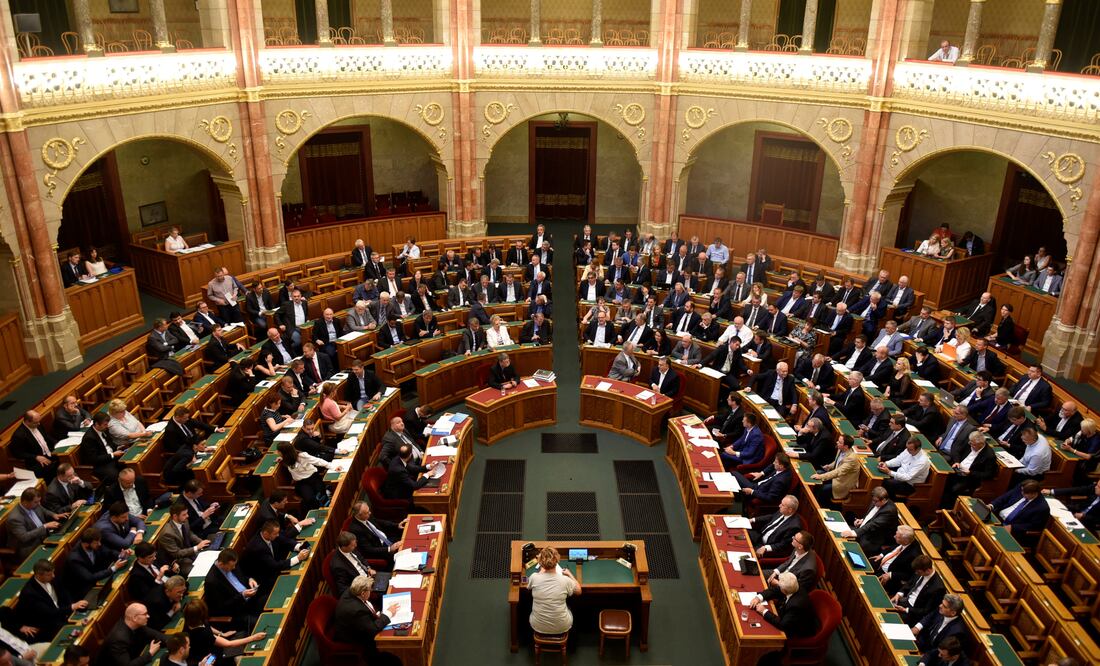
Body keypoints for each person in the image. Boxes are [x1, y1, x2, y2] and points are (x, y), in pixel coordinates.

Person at [333, 575, 402, 665]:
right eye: (369, 590)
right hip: (355, 637)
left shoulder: (351, 590)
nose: (371, 591)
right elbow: (373, 629)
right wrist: (388, 614)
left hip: (355, 623)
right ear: (363, 593)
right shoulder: (357, 611)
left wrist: (378, 615)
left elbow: (367, 607)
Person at [242, 520, 310, 596]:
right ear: (266, 533)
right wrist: (298, 558)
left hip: (274, 564)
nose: (278, 535)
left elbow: (284, 540)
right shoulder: (258, 548)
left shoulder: (270, 534)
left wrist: (299, 547)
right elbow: (275, 566)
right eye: (275, 534)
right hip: (264, 577)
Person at [528, 547, 581, 636]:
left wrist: (542, 570)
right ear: (557, 561)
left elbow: (529, 587)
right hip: (562, 626)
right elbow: (579, 591)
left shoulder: (534, 577)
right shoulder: (565, 580)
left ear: (540, 562)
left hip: (537, 625)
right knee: (570, 606)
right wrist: (569, 574)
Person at [65, 527, 129, 600]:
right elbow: (89, 578)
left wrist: (121, 555)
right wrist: (114, 568)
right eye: (96, 543)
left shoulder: (94, 544)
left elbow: (109, 552)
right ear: (86, 544)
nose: (99, 544)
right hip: (82, 588)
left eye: (99, 541)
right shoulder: (75, 559)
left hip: (97, 576)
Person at [748, 571, 818, 637]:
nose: (778, 586)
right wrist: (758, 598)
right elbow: (774, 591)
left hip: (798, 631)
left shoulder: (796, 605)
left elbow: (783, 625)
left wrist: (764, 611)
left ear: (784, 591)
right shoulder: (794, 586)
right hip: (786, 615)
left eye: (780, 587)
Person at [98, 603, 166, 666]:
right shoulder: (119, 639)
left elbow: (157, 635)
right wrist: (150, 653)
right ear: (134, 618)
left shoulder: (136, 624)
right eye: (145, 614)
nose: (148, 616)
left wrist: (173, 643)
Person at [156, 503, 211, 576]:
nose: (187, 516)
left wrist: (201, 541)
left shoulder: (184, 521)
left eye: (187, 513)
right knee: (196, 571)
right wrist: (197, 547)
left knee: (208, 560)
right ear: (175, 516)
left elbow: (190, 534)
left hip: (187, 552)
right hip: (175, 561)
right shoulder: (167, 533)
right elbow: (176, 553)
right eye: (184, 514)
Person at [7, 488, 62, 560]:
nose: (39, 504)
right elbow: (24, 537)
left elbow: (43, 510)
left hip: (43, 536)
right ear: (25, 502)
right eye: (36, 502)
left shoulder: (34, 505)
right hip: (29, 546)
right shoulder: (15, 518)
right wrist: (45, 526)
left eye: (39, 501)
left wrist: (54, 515)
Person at [348, 501, 404, 570]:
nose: (370, 513)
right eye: (367, 512)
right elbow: (369, 550)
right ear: (359, 515)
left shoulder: (366, 515)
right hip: (380, 550)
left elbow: (379, 522)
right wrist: (389, 549)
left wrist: (396, 525)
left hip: (387, 539)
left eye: (369, 511)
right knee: (402, 560)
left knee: (406, 540)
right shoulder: (355, 529)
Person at [843, 487, 898, 555]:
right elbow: (871, 515)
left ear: (883, 500)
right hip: (865, 529)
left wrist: (853, 533)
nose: (873, 502)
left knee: (853, 550)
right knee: (843, 532)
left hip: (874, 538)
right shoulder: (877, 501)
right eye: (873, 500)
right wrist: (863, 520)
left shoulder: (889, 511)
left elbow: (873, 525)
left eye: (875, 501)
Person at [892, 555, 945, 627]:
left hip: (913, 612)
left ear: (928, 570)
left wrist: (906, 610)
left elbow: (926, 610)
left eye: (918, 572)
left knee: (892, 622)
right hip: (904, 601)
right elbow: (909, 583)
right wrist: (898, 594)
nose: (916, 573)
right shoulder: (919, 571)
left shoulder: (938, 588)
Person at [277, 441, 330, 512]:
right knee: (310, 499)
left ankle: (327, 507)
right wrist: (282, 458)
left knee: (321, 493)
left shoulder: (302, 456)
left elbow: (317, 461)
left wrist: (331, 466)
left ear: (284, 451)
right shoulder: (286, 458)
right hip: (301, 483)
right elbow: (289, 460)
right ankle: (317, 512)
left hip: (313, 477)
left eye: (278, 451)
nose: (277, 452)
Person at [811, 435, 861, 505]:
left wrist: (821, 476)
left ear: (846, 446)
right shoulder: (840, 449)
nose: (837, 442)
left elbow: (838, 472)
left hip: (843, 483)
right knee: (818, 473)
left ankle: (819, 506)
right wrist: (829, 466)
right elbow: (838, 461)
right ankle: (812, 500)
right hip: (837, 476)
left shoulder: (851, 459)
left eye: (840, 442)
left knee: (823, 489)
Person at [872, 526, 922, 595]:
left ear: (905, 541)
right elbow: (894, 548)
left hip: (890, 576)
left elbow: (909, 575)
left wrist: (891, 575)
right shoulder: (907, 541)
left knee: (870, 582)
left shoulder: (914, 555)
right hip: (881, 563)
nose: (894, 536)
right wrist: (882, 555)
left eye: (897, 536)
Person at [79, 412, 123, 485]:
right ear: (96, 424)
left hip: (111, 457)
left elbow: (110, 443)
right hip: (100, 464)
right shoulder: (89, 438)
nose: (107, 426)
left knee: (127, 463)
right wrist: (113, 455)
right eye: (105, 424)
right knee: (113, 475)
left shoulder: (104, 429)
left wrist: (118, 447)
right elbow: (94, 459)